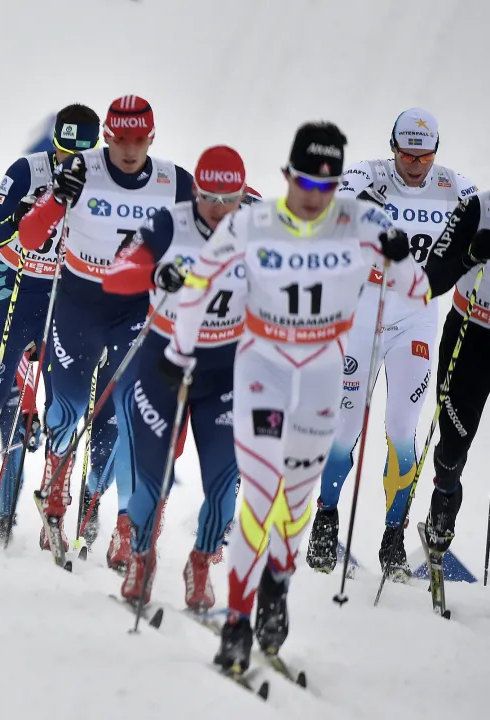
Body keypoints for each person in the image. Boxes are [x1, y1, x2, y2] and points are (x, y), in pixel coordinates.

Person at [166, 122, 428, 673]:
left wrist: (400, 258)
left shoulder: (361, 222)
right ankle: (237, 620)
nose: (315, 196)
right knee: (259, 497)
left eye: (327, 186)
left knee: (296, 506)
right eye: (306, 182)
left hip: (322, 373)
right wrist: (181, 354)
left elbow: (418, 292)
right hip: (264, 365)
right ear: (287, 176)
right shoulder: (251, 223)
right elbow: (196, 286)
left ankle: (276, 590)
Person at [18, 95, 194, 563]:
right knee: (66, 408)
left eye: (139, 140)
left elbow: (220, 217)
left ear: (151, 138)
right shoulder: (80, 169)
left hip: (136, 309)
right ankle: (56, 489)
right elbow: (31, 238)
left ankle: (120, 523)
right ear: (107, 136)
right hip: (78, 301)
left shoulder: (173, 181)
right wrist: (58, 197)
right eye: (120, 140)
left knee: (124, 417)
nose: (130, 149)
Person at [307, 108, 479, 579]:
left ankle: (393, 534)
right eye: (407, 154)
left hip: (416, 315)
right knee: (345, 427)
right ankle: (326, 517)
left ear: (436, 152)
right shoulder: (371, 173)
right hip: (362, 310)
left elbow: (481, 216)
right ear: (393, 147)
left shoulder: (453, 186)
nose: (415, 165)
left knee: (401, 425)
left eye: (424, 156)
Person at [104, 146, 248, 610]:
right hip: (163, 359)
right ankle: (141, 557)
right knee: (152, 478)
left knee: (224, 482)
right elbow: (116, 277)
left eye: (230, 199)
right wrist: (154, 272)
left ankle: (201, 561)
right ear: (195, 192)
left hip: (223, 370)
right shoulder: (170, 223)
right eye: (208, 197)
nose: (219, 209)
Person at [0, 103, 105, 545]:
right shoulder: (28, 170)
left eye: (80, 154)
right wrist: (26, 214)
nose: (70, 163)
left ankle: (55, 507)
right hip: (13, 287)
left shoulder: (103, 180)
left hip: (65, 296)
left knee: (63, 407)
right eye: (63, 151)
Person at [420, 190, 490, 561]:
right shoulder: (477, 207)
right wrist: (470, 256)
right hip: (471, 334)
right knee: (452, 447)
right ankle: (445, 496)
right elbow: (432, 279)